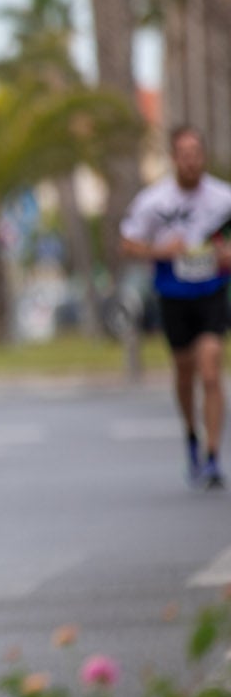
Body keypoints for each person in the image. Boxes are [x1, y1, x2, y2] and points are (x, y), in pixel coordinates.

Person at [118, 126, 231, 488]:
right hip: (173, 293)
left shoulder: (223, 198)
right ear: (173, 157)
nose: (191, 160)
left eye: (196, 152)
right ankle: (191, 436)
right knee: (185, 373)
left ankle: (213, 455)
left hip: (212, 291)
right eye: (183, 153)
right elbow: (128, 243)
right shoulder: (154, 202)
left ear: (204, 155)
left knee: (211, 369)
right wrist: (160, 251)